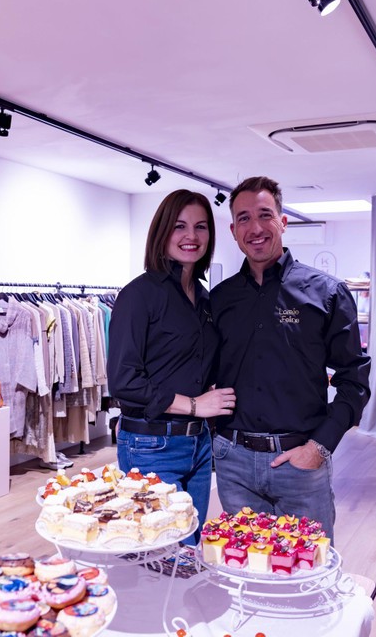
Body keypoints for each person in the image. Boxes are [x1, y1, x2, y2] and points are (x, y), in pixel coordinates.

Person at [210, 176, 371, 539]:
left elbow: (354, 378)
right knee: (246, 570)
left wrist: (319, 447)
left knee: (309, 577)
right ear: (234, 230)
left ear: (283, 222)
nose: (256, 228)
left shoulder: (326, 293)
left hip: (300, 464)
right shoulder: (219, 300)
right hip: (234, 465)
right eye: (244, 219)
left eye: (265, 215)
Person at [107, 189, 235, 542]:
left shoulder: (206, 299)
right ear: (162, 231)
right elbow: (123, 380)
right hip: (151, 444)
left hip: (199, 444)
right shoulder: (139, 295)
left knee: (189, 545)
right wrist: (195, 405)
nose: (191, 237)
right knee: (159, 550)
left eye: (201, 227)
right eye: (179, 226)